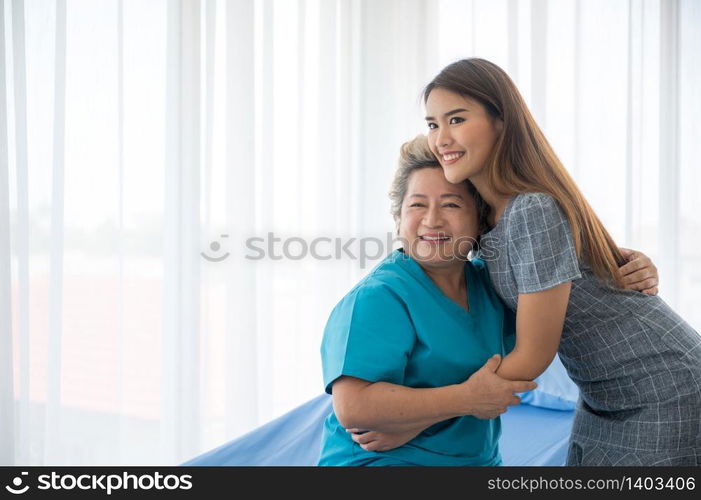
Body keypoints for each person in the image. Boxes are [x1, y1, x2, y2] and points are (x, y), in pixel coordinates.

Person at [422, 57, 701, 465]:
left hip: (662, 386)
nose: (441, 138)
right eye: (432, 124)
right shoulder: (483, 219)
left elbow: (534, 355)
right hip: (602, 396)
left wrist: (423, 412)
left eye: (457, 120)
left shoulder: (533, 209)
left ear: (501, 121)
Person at [317, 135, 660, 466]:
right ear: (398, 219)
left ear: (480, 222)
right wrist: (466, 399)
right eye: (417, 204)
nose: (432, 219)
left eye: (451, 204)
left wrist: (626, 270)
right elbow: (353, 408)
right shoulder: (379, 297)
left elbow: (559, 295)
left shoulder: (491, 283)